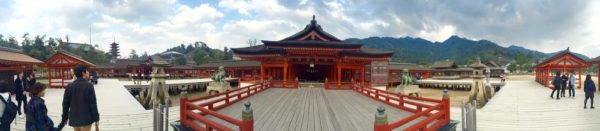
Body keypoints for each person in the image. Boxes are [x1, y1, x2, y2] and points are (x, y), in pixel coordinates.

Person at [58, 65, 99, 131]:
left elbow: (65, 104)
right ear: (83, 73)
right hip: (86, 119)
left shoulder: (69, 86)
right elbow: (93, 104)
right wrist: (96, 119)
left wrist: (64, 119)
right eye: (87, 71)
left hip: (74, 119)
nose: (88, 73)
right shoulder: (89, 86)